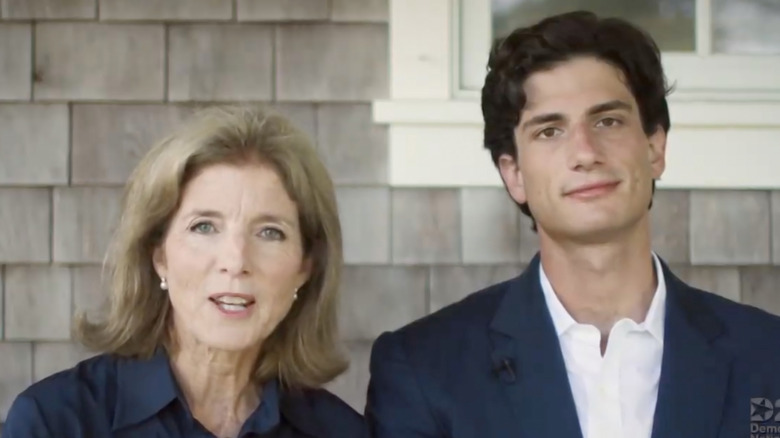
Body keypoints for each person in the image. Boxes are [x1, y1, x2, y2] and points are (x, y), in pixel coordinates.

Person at [365, 10, 780, 438]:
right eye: (549, 131)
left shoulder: (769, 356)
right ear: (515, 174)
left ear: (654, 148)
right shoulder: (423, 369)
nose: (585, 152)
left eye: (607, 121)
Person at [3, 106, 367, 438]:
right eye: (204, 227)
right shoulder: (55, 422)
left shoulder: (340, 432)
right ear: (159, 254)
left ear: (306, 266)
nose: (236, 260)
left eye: (270, 232)